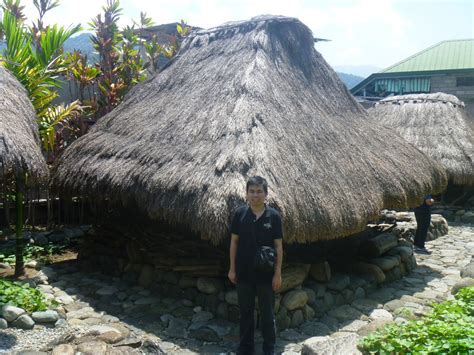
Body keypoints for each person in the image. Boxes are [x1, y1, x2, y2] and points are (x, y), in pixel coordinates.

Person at [228, 176, 283, 355]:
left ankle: (269, 348)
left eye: (259, 191)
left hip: (266, 274)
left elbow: (278, 246)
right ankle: (246, 347)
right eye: (252, 191)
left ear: (266, 194)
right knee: (245, 313)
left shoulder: (273, 216)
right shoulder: (239, 214)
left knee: (267, 314)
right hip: (244, 273)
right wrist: (232, 269)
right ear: (246, 193)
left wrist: (277, 274)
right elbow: (234, 242)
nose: (255, 195)